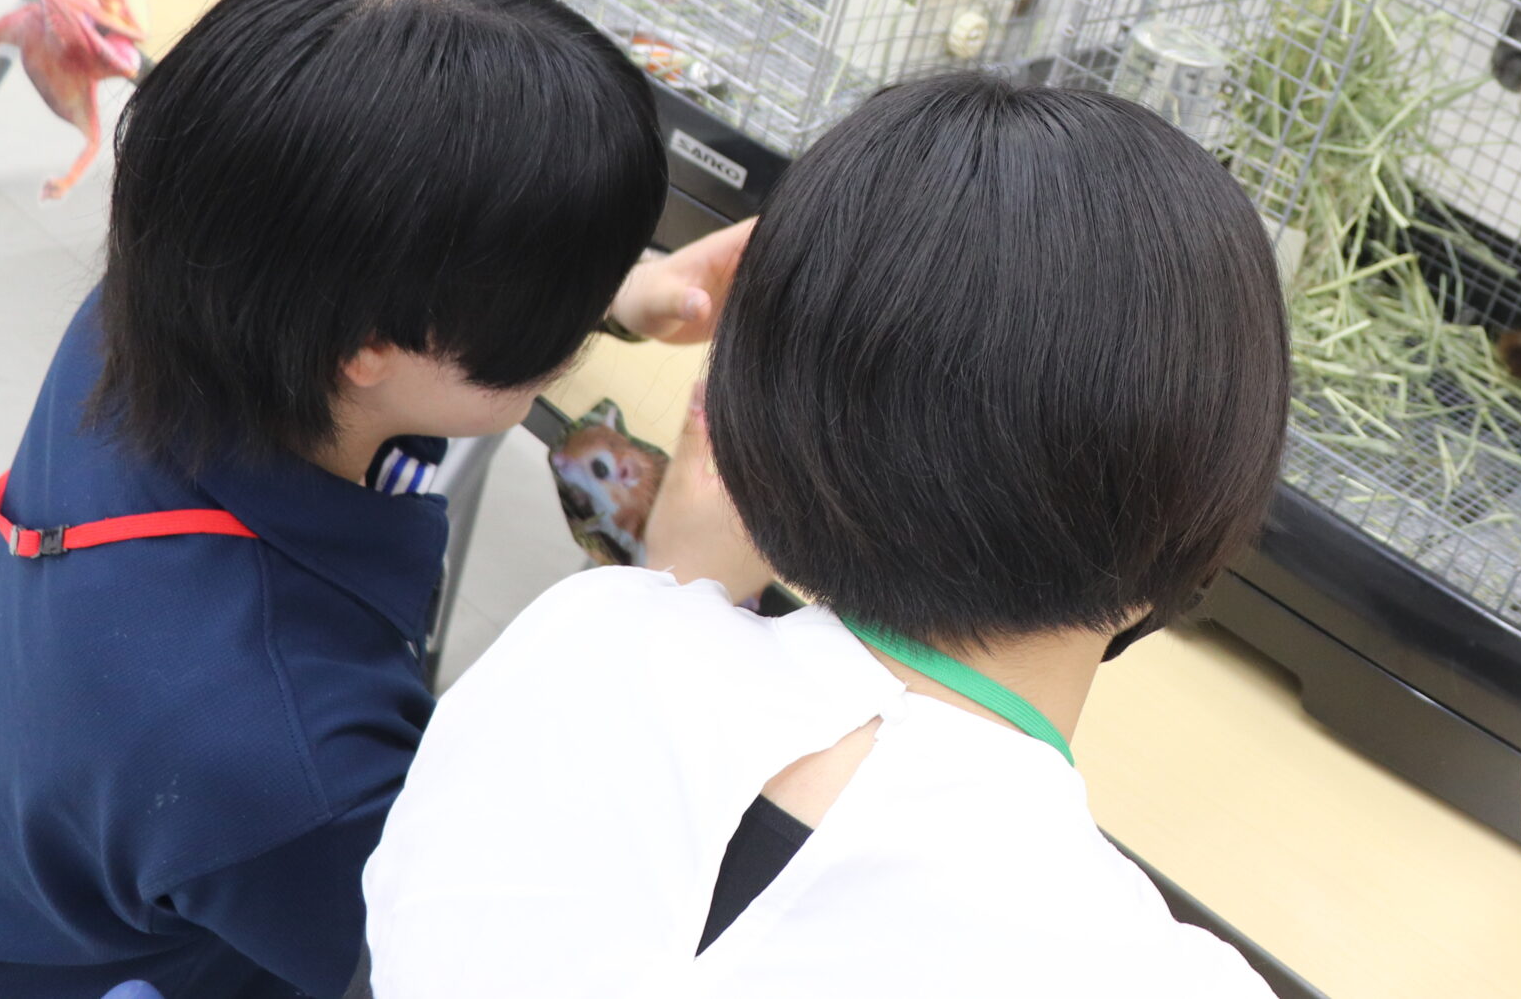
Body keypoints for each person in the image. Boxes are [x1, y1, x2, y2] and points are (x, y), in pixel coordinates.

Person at [363, 72, 1293, 997]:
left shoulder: (579, 639)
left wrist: (679, 592)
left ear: (755, 407)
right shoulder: (1158, 975)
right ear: (1207, 496)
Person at [0, 0, 752, 999]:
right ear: (365, 348)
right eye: (552, 303)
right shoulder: (290, 763)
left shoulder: (159, 313)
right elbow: (490, 964)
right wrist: (686, 600)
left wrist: (612, 292)